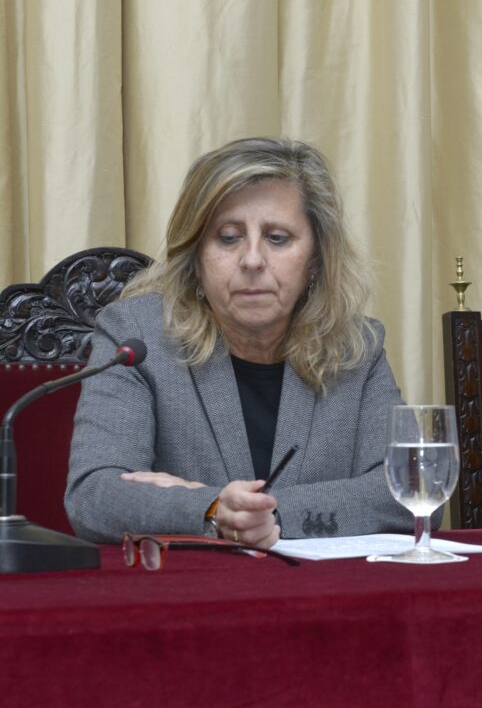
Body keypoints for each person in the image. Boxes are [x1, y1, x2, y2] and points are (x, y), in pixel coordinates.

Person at [66, 137, 411, 548]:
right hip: (191, 598)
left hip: (326, 596)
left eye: (278, 238)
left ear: (316, 259)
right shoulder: (137, 337)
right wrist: (210, 510)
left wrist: (259, 512)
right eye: (228, 238)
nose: (251, 260)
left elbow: (406, 493)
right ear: (196, 256)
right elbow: (94, 495)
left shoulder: (357, 346)